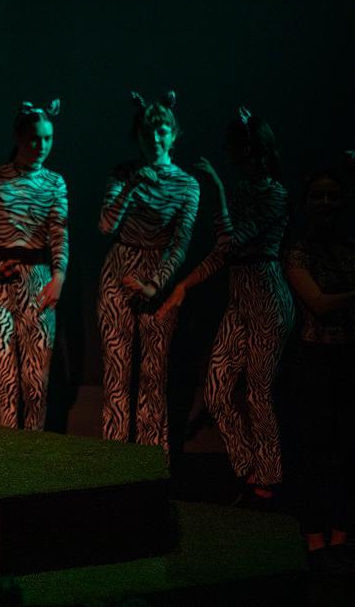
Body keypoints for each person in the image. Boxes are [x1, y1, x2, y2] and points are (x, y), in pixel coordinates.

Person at [159, 109, 293, 502]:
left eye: (234, 149)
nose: (228, 156)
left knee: (258, 392)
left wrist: (216, 188)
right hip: (239, 300)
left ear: (251, 151)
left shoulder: (275, 194)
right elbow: (222, 253)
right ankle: (248, 468)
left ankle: (267, 479)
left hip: (266, 298)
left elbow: (232, 241)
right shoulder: (243, 191)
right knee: (217, 390)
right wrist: (183, 286)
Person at [98, 91, 199, 454]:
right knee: (117, 373)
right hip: (119, 271)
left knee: (153, 375)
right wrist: (130, 186)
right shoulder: (122, 173)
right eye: (146, 131)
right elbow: (105, 226)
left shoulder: (187, 184)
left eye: (161, 131)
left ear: (173, 134)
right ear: (137, 135)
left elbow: (180, 243)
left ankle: (150, 459)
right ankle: (114, 460)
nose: (154, 138)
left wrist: (155, 284)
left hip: (158, 276)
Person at [0, 101, 68, 429]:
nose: (42, 146)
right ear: (19, 138)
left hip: (37, 282)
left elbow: (59, 233)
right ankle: (8, 453)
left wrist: (59, 277)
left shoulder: (54, 182)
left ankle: (33, 451)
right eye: (35, 138)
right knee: (6, 385)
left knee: (36, 385)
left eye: (48, 138)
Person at [282, 170, 355, 571]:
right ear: (305, 203)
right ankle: (313, 537)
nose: (326, 203)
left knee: (346, 449)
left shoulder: (349, 250)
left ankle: (341, 535)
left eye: (333, 196)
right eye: (318, 196)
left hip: (347, 359)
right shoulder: (297, 251)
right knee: (313, 449)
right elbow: (319, 303)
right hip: (312, 360)